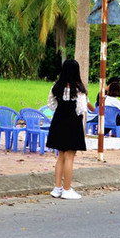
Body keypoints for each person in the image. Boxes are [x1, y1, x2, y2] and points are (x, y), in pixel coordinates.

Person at [46, 59, 88, 200]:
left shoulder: (56, 87)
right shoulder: (79, 89)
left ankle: (57, 188)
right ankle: (67, 189)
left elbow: (51, 105)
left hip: (58, 121)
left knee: (61, 156)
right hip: (72, 123)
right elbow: (81, 109)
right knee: (70, 156)